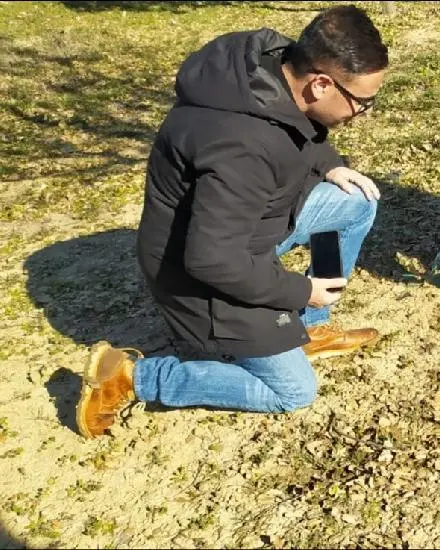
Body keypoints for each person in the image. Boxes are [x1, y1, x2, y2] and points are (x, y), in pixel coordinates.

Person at [76, 5, 388, 438]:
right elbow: (212, 261)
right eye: (363, 102)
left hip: (249, 229)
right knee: (292, 392)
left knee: (354, 203)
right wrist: (302, 289)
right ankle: (130, 378)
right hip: (201, 276)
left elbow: (296, 131)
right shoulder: (241, 146)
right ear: (320, 84)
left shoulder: (268, 66)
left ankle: (308, 328)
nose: (364, 112)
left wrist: (329, 163)